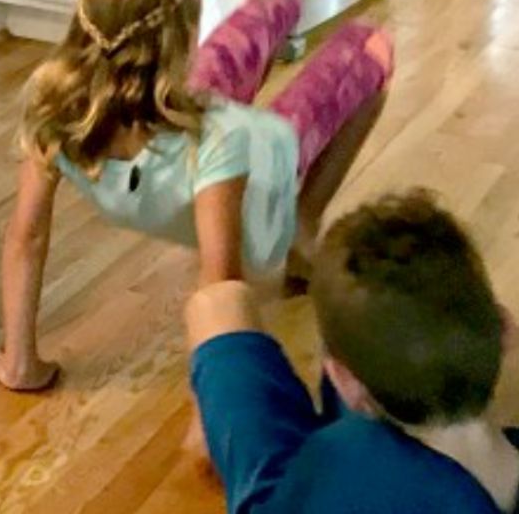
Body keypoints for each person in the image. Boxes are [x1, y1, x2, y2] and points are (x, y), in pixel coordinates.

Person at [0, 0, 392, 392]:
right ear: (179, 47)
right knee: (372, 44)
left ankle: (295, 214)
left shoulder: (53, 104)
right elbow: (221, 288)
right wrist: (211, 414)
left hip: (182, 118)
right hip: (269, 160)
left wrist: (21, 361)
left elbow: (28, 233)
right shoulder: (216, 139)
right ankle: (302, 221)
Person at [188, 190, 519, 513]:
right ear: (506, 329)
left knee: (218, 303)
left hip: (302, 490)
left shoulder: (349, 455)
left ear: (345, 381)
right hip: (353, 467)